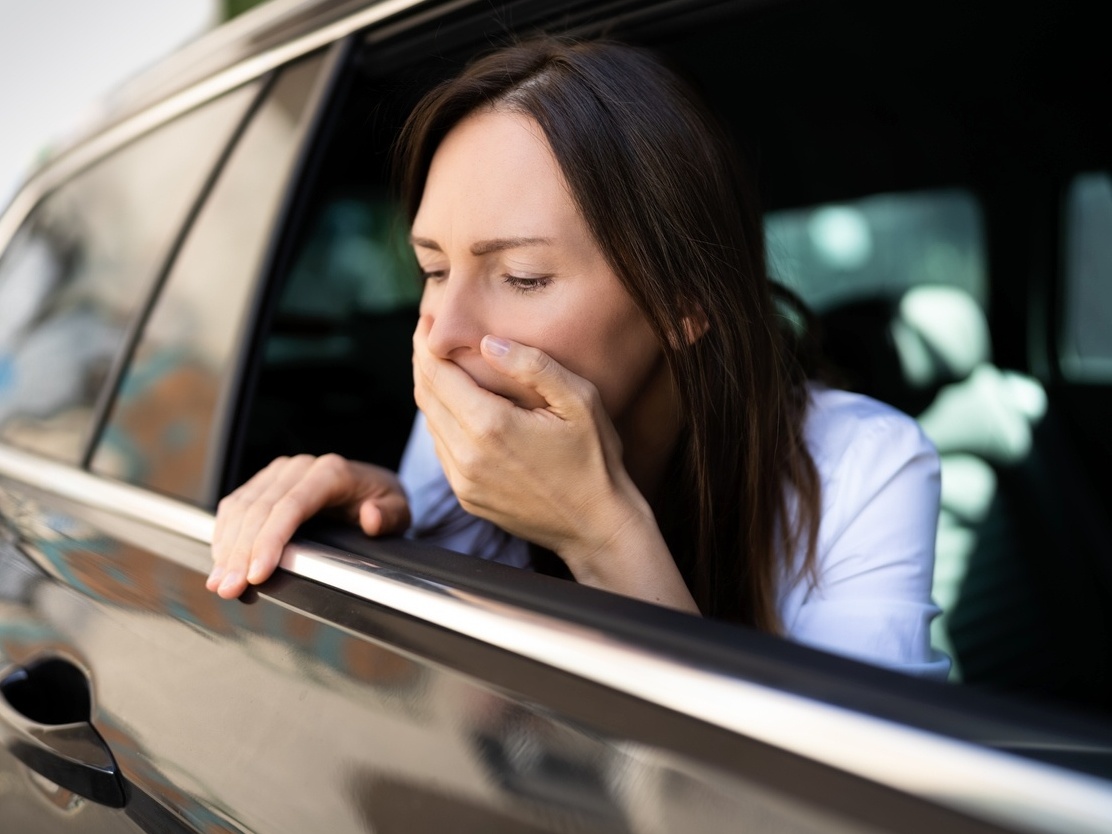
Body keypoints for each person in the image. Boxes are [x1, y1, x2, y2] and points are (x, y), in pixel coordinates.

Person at [207, 37, 948, 679]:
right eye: (433, 270)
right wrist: (390, 523)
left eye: (521, 276)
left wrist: (602, 533)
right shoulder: (472, 409)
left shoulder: (864, 468)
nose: (440, 336)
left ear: (683, 299)